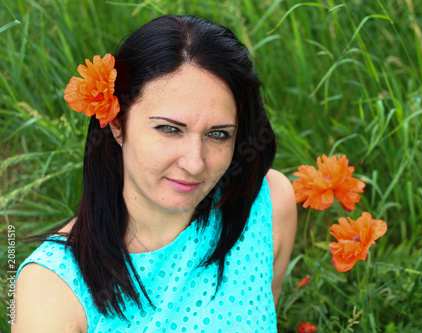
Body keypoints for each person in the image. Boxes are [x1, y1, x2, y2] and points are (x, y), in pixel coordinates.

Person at [13, 15, 297, 332]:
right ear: (117, 124)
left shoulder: (268, 205)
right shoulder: (52, 288)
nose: (194, 163)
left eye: (218, 134)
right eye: (169, 129)